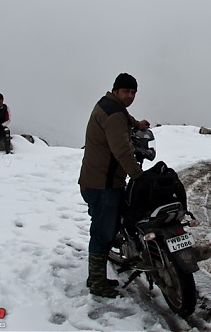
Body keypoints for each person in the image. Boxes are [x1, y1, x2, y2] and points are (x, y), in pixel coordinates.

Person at [78, 73, 150, 298]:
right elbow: (122, 151)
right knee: (102, 232)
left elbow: (124, 118)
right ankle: (97, 283)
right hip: (103, 184)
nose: (130, 96)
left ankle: (96, 276)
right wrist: (139, 176)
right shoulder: (114, 114)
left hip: (96, 181)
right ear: (116, 91)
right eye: (126, 92)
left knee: (105, 227)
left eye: (133, 92)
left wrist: (137, 124)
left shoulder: (110, 105)